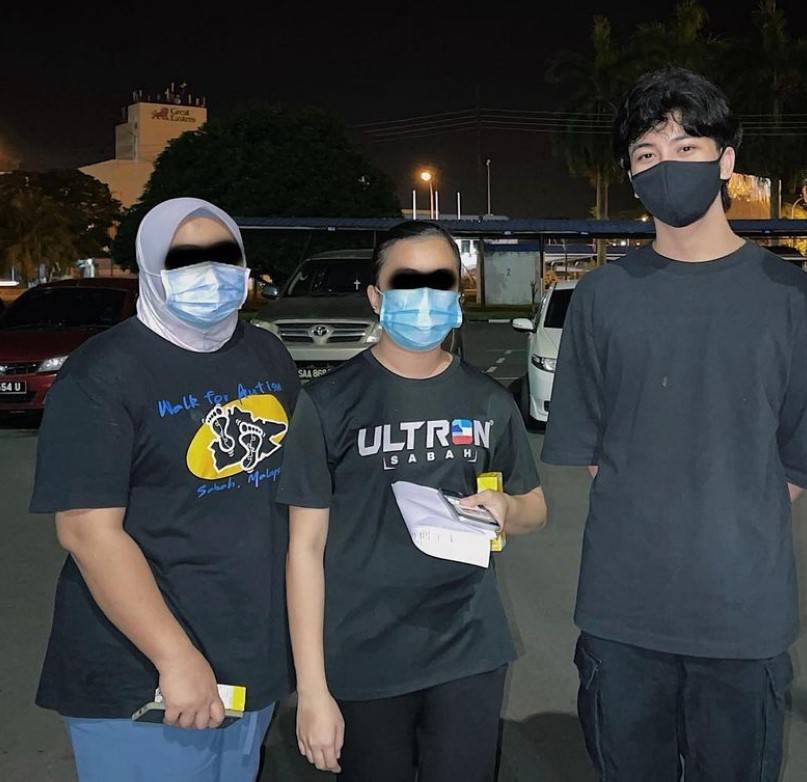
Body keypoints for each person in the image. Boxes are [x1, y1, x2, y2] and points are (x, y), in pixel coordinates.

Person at [541, 67, 807, 781]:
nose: (666, 165)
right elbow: (596, 451)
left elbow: (797, 465)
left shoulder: (794, 298)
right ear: (630, 176)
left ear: (726, 161)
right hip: (621, 616)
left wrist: (725, 519)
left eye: (686, 148)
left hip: (743, 620)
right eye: (646, 153)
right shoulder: (599, 297)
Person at [29, 198, 300, 780]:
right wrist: (173, 656)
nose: (211, 272)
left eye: (224, 256)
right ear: (150, 268)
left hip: (248, 653)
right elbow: (87, 533)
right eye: (185, 258)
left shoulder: (266, 354)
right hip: (142, 671)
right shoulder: (102, 372)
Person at [276, 220, 547, 781]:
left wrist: (508, 510)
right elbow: (304, 550)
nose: (424, 298)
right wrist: (313, 690)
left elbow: (534, 506)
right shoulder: (326, 405)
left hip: (467, 649)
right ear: (376, 297)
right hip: (364, 656)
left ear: (457, 294)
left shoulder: (488, 400)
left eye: (439, 281)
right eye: (406, 282)